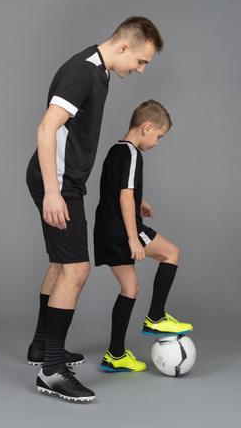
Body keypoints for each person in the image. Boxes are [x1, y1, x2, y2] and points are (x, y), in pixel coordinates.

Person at [26, 17, 164, 402]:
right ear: (123, 48)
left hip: (66, 182)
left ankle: (41, 348)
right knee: (76, 268)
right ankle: (52, 371)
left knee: (60, 263)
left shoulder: (99, 71)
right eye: (140, 62)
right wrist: (54, 193)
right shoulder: (82, 72)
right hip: (57, 183)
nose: (138, 70)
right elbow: (45, 129)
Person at [94, 100, 193, 373]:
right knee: (171, 253)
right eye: (159, 136)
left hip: (104, 230)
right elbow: (124, 196)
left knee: (130, 289)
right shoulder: (134, 153)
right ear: (147, 127)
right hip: (123, 230)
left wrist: (140, 200)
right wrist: (133, 238)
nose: (158, 143)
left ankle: (115, 356)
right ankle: (156, 317)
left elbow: (117, 191)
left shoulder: (115, 150)